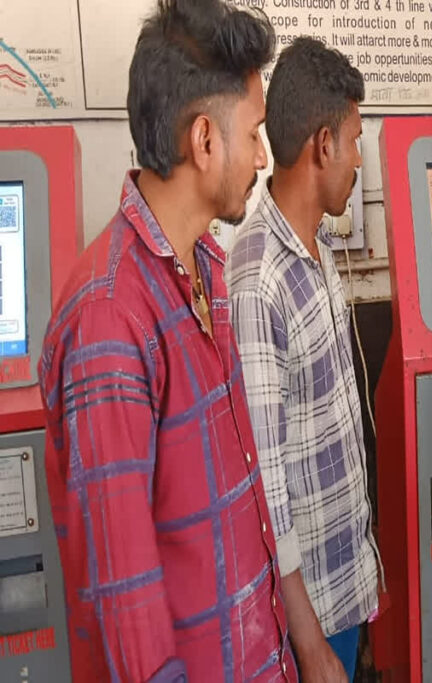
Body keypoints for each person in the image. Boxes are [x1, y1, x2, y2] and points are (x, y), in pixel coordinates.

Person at [35, 1, 296, 680]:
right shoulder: (108, 321)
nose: (264, 156)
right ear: (205, 140)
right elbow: (126, 603)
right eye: (256, 133)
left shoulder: (205, 266)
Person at [226, 37, 380, 683]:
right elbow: (267, 487)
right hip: (308, 617)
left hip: (345, 585)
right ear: (322, 145)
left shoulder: (313, 253)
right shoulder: (259, 277)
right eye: (354, 140)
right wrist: (310, 644)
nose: (358, 159)